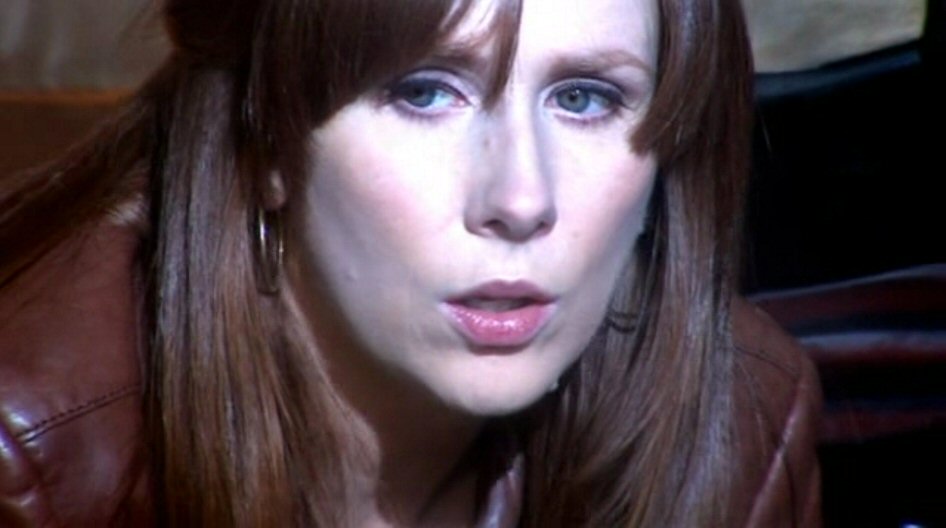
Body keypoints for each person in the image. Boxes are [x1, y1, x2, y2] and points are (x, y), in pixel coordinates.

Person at [0, 0, 821, 526]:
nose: (521, 199)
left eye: (583, 98)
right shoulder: (35, 460)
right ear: (267, 141)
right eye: (425, 92)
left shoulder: (740, 425)